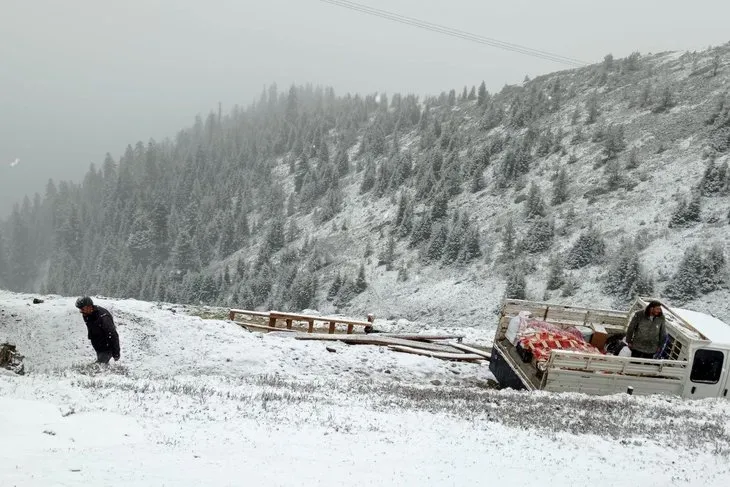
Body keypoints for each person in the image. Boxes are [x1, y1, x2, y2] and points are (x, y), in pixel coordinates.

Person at [75, 296, 120, 364]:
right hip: (98, 345)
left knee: (98, 367)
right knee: (103, 367)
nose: (81, 311)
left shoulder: (103, 317)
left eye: (82, 309)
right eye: (80, 309)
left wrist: (116, 353)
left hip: (107, 346)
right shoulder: (87, 314)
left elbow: (113, 334)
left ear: (89, 306)